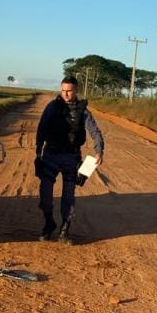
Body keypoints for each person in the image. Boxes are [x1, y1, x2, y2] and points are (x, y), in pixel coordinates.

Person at [35, 76, 104, 244]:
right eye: (63, 90)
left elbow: (95, 131)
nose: (66, 94)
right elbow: (41, 128)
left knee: (68, 195)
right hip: (50, 154)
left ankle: (65, 230)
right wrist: (38, 153)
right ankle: (49, 223)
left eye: (69, 90)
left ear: (76, 91)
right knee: (45, 193)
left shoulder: (83, 111)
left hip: (71, 157)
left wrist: (99, 151)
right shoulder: (52, 107)